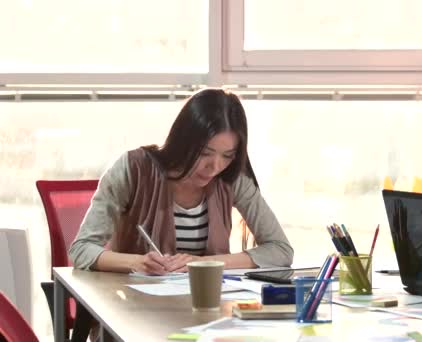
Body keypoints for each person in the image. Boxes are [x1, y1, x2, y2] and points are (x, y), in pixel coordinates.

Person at [69, 88, 293, 275]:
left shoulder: (231, 180)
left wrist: (203, 263)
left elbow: (281, 250)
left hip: (207, 313)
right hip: (135, 310)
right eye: (205, 152)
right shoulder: (134, 169)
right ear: (183, 141)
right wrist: (135, 263)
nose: (215, 167)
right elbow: (81, 249)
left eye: (227, 155)